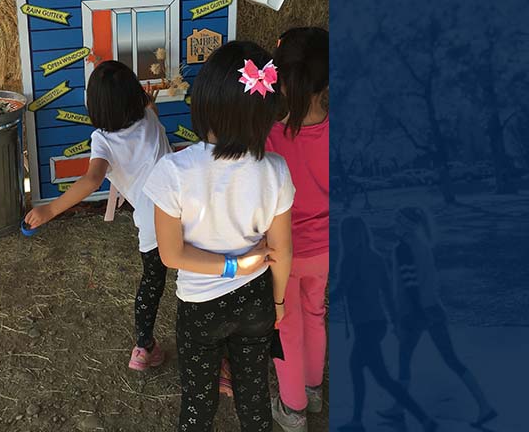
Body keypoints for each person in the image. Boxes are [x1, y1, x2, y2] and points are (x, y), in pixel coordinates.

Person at [24, 59, 271, 371]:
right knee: (205, 282)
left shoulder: (103, 142)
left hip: (155, 224)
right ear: (135, 95)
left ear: (94, 107)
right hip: (191, 211)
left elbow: (91, 180)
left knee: (152, 283)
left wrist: (49, 209)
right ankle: (221, 356)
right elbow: (147, 103)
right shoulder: (148, 116)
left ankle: (143, 348)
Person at [143, 41, 294, 432]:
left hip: (200, 305)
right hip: (257, 300)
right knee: (254, 395)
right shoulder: (275, 169)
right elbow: (281, 250)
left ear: (205, 101)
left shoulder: (173, 171)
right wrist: (277, 303)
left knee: (198, 400)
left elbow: (171, 255)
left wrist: (231, 266)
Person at [265, 27, 330, 431]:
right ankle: (313, 390)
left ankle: (292, 411)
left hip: (283, 254)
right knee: (315, 314)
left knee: (286, 328)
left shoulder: (269, 139)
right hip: (326, 251)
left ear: (281, 82)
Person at [379, 207, 497, 426]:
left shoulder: (403, 249)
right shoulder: (423, 245)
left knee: (404, 359)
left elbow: (410, 283)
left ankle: (398, 407)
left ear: (405, 225)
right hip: (433, 309)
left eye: (397, 221)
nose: (394, 225)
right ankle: (484, 405)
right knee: (451, 358)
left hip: (414, 313)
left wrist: (405, 318)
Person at [338, 216, 438, 432]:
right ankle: (356, 421)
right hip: (378, 324)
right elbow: (388, 295)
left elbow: (340, 290)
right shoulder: (376, 257)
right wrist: (394, 323)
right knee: (356, 367)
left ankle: (425, 420)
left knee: (382, 378)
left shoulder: (351, 260)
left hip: (365, 327)